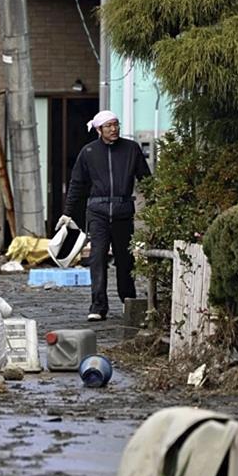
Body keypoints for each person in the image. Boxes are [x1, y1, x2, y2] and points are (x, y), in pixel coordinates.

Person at [57, 110, 151, 322]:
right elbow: (76, 184)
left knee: (125, 260)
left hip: (123, 211)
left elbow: (146, 179)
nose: (113, 129)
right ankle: (98, 306)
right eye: (108, 126)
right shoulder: (89, 152)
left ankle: (129, 302)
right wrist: (67, 213)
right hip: (97, 212)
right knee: (97, 258)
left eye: (115, 124)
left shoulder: (131, 149)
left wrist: (155, 205)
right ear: (99, 129)